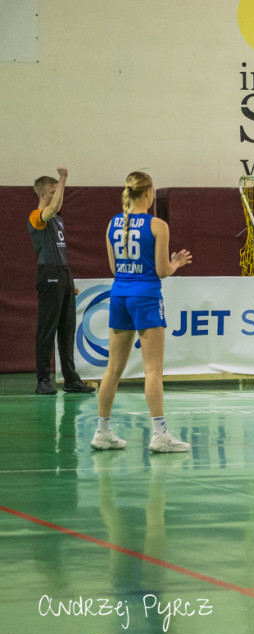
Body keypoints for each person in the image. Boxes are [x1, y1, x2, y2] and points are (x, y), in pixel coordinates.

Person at [90, 172, 193, 453]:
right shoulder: (157, 225)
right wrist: (177, 263)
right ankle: (160, 434)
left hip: (119, 295)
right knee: (153, 370)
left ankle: (102, 431)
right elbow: (161, 271)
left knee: (112, 369)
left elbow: (114, 269)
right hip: (146, 296)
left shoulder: (114, 223)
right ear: (148, 192)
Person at [28, 167, 95, 395]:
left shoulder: (57, 220)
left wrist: (70, 280)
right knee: (47, 329)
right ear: (44, 196)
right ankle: (43, 380)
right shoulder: (38, 217)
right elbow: (54, 206)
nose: (59, 197)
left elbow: (61, 251)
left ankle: (70, 379)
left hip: (64, 275)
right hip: (49, 275)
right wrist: (64, 178)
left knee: (67, 330)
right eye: (55, 192)